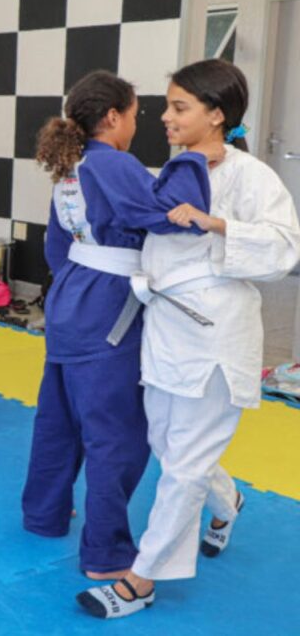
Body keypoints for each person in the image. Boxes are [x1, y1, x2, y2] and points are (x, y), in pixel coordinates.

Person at [77, 59, 300, 618]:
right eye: (167, 105)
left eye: (180, 107)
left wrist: (216, 223)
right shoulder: (175, 167)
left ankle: (141, 580)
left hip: (218, 337)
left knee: (183, 467)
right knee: (170, 448)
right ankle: (229, 501)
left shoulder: (251, 176)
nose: (164, 116)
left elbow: (283, 248)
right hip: (167, 330)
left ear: (217, 114)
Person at [16, 70, 216, 583]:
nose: (137, 122)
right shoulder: (114, 163)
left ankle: (45, 514)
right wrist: (193, 159)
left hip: (69, 300)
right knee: (117, 434)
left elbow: (56, 249)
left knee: (58, 420)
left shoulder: (71, 166)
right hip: (107, 310)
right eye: (133, 113)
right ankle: (105, 553)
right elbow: (166, 212)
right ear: (112, 117)